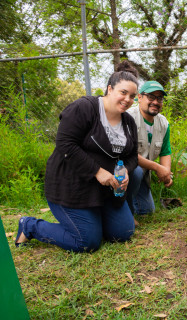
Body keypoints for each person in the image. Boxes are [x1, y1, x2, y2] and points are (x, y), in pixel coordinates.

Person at [14, 61, 139, 252]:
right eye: (123, 92)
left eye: (132, 96)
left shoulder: (128, 122)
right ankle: (30, 226)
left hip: (106, 191)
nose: (127, 99)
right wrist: (97, 171)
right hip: (73, 186)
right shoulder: (84, 107)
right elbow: (65, 144)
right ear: (110, 89)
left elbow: (132, 157)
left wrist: (127, 171)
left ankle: (93, 220)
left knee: (123, 233)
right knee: (86, 242)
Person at [126, 81, 172, 218]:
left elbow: (165, 151)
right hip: (126, 173)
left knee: (147, 212)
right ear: (139, 98)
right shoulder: (128, 118)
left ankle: (132, 207)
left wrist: (166, 173)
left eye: (159, 98)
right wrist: (158, 168)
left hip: (144, 175)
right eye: (151, 97)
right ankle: (125, 209)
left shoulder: (163, 123)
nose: (155, 102)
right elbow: (130, 155)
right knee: (136, 170)